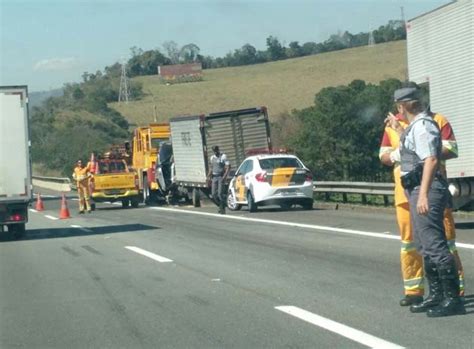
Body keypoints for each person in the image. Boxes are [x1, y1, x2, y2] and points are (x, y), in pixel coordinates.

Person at [385, 87, 465, 317]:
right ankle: (436, 296)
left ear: (404, 106)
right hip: (417, 188)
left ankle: (452, 300)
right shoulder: (415, 127)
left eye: (399, 106)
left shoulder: (422, 126)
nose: (398, 110)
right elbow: (410, 150)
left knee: (435, 245)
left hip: (425, 189)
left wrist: (422, 195)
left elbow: (430, 159)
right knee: (425, 245)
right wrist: (398, 131)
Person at [207, 145, 230, 214]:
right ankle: (221, 205)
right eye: (214, 151)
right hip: (214, 177)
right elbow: (211, 168)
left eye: (216, 150)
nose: (215, 152)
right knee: (213, 194)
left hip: (220, 177)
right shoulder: (212, 158)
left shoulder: (223, 157)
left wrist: (224, 177)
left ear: (218, 150)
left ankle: (222, 209)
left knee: (220, 194)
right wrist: (208, 176)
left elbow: (228, 167)